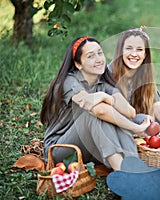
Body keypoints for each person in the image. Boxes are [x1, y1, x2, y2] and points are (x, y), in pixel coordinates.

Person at [40, 36, 150, 171]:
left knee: (140, 118)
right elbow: (100, 111)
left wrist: (109, 99)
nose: (98, 59)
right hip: (61, 149)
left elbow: (129, 112)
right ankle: (123, 172)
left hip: (89, 146)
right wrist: (134, 128)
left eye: (99, 53)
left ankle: (133, 165)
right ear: (78, 64)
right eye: (90, 56)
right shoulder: (70, 82)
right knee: (93, 116)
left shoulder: (103, 81)